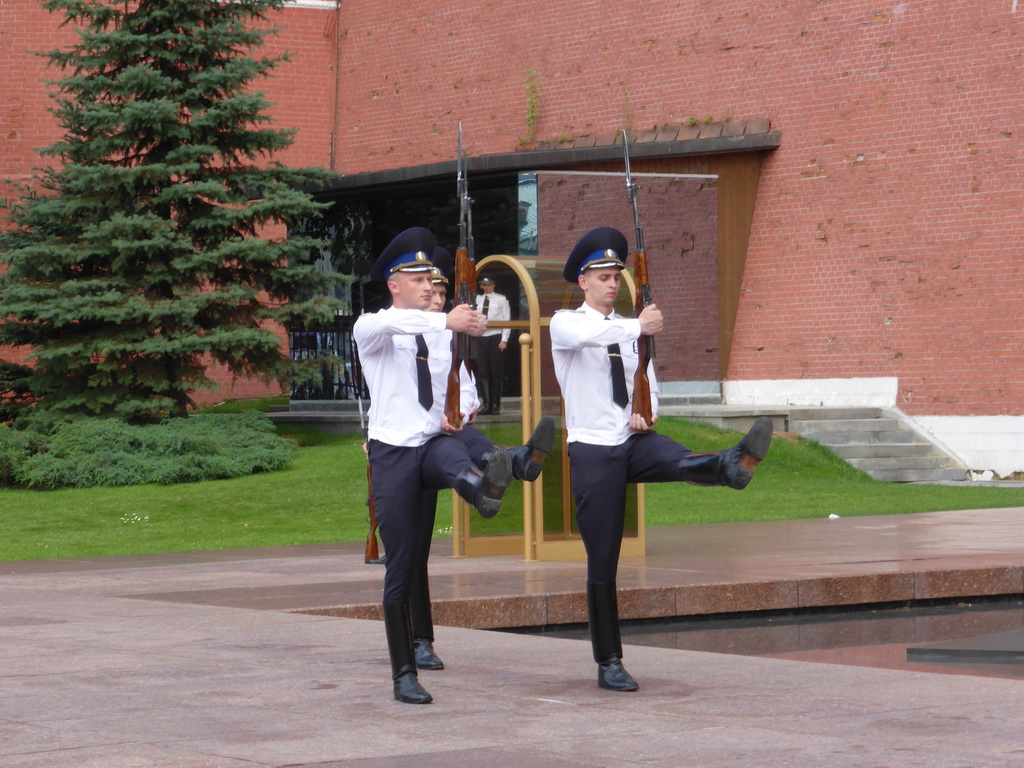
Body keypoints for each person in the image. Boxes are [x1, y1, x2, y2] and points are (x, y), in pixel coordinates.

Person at [549, 226, 774, 693]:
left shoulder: (631, 332)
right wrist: (640, 325)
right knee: (603, 559)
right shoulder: (566, 323)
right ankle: (608, 660)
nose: (614, 283)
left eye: (618, 276)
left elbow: (647, 379)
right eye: (605, 276)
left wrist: (646, 411)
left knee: (677, 456)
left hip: (631, 440)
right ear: (584, 281)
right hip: (593, 449)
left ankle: (728, 466)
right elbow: (594, 337)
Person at [354, 228, 552, 705]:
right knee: (401, 568)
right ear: (393, 284)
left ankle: (492, 480)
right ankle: (404, 671)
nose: (427, 286)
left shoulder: (440, 333)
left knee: (454, 443)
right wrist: (448, 323)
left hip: (431, 442)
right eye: (417, 278)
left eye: (430, 279)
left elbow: (455, 387)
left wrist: (458, 407)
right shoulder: (373, 326)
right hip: (394, 453)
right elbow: (396, 326)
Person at [473, 275, 511, 414]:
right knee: (482, 371)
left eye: (488, 285)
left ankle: (495, 405)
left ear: (493, 285)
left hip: (496, 336)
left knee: (496, 372)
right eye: (483, 285)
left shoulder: (501, 299)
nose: (486, 287)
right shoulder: (477, 299)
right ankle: (487, 404)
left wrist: (504, 339)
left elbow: (507, 320)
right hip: (481, 336)